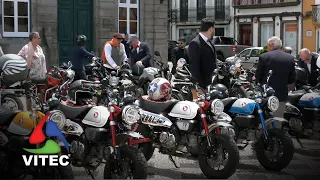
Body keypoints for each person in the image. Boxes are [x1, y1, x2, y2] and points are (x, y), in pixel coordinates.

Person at [254, 36, 295, 117]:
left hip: (266, 95)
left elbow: (258, 76)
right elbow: (291, 79)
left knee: (265, 119)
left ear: (272, 45)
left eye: (268, 46)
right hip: (281, 94)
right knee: (278, 119)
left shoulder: (264, 57)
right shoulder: (290, 58)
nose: (267, 48)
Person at [188, 18, 217, 99]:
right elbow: (194, 67)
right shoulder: (195, 43)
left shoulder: (210, 42)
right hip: (202, 88)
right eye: (214, 28)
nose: (214, 31)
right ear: (211, 29)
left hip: (211, 86)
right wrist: (200, 88)